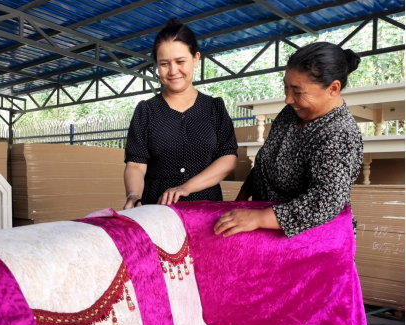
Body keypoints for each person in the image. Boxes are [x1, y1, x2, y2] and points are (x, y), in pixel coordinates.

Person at [215, 42, 363, 238]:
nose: (288, 99)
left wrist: (260, 218)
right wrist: (240, 202)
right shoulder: (291, 113)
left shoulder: (339, 134)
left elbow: (325, 201)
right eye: (286, 87)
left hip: (311, 241)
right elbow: (264, 163)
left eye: (298, 92)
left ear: (333, 89)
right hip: (266, 230)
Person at [123, 19, 238, 210]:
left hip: (205, 209)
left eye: (180, 61)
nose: (173, 71)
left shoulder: (214, 108)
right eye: (164, 64)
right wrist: (133, 195)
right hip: (156, 210)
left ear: (196, 58)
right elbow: (136, 164)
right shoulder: (146, 111)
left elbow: (228, 159)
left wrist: (187, 187)